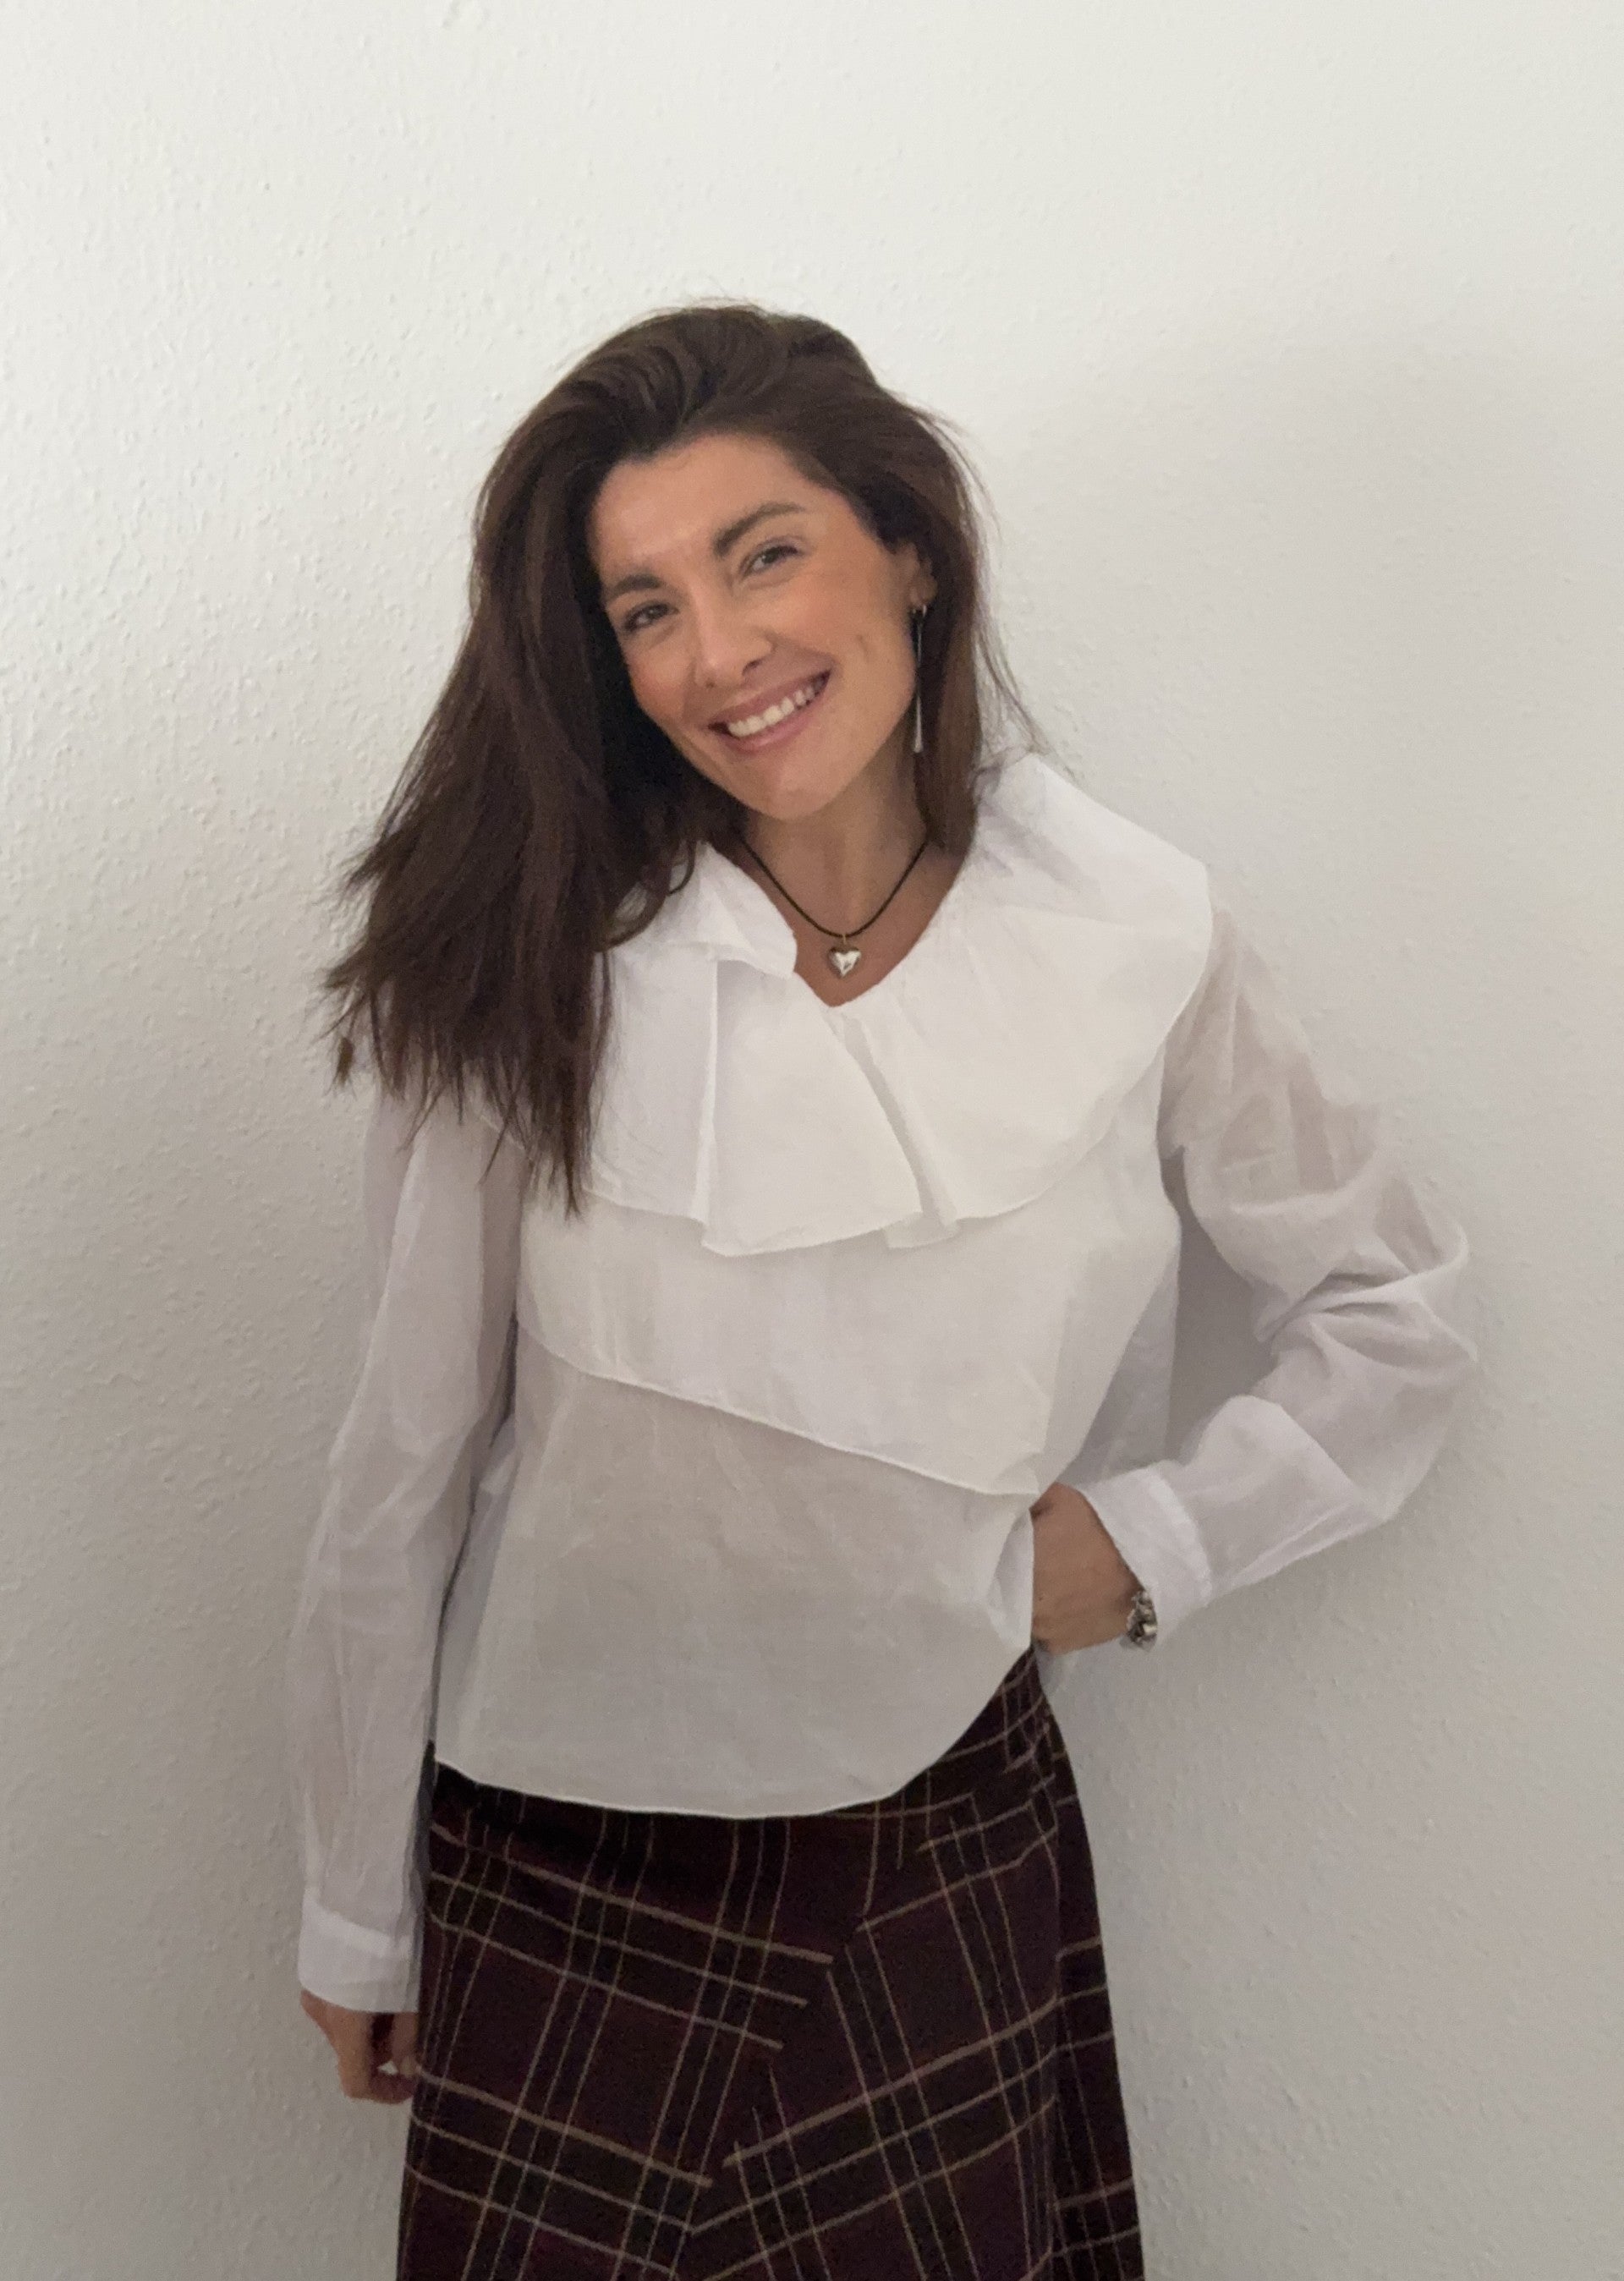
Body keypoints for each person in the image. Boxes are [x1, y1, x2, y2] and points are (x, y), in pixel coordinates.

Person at [287, 302, 1474, 2279]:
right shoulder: (529, 958)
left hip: (942, 1827)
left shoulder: (1131, 928)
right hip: (569, 1850)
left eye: (764, 553)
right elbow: (400, 1460)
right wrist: (354, 1900)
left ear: (908, 548)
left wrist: (1155, 1540)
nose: (720, 650)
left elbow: (1395, 1301)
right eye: (647, 607)